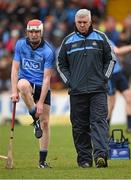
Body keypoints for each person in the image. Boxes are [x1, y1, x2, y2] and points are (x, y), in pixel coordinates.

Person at [57, 9, 116, 168]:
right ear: (75, 22)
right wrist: (70, 82)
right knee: (79, 126)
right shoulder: (67, 41)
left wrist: (104, 78)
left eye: (85, 22)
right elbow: (60, 64)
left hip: (98, 90)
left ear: (90, 22)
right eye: (79, 22)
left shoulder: (101, 38)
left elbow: (111, 60)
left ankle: (101, 156)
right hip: (77, 92)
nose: (82, 25)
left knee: (99, 123)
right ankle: (84, 159)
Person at [11, 19, 55, 168]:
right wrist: (13, 91)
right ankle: (33, 116)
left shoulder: (49, 51)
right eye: (31, 31)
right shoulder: (20, 45)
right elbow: (15, 69)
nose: (34, 34)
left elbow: (47, 78)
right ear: (27, 32)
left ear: (41, 32)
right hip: (27, 83)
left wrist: (41, 102)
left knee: (46, 123)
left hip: (42, 87)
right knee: (22, 85)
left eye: (36, 32)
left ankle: (42, 162)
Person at [107, 42, 131, 132]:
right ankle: (105, 128)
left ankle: (129, 127)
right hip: (110, 75)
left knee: (129, 98)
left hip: (118, 73)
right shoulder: (101, 40)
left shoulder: (106, 38)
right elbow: (118, 51)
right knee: (111, 104)